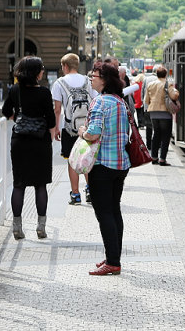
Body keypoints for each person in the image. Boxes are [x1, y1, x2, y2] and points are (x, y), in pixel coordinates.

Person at [77, 62, 130, 276]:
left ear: (104, 79)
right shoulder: (120, 101)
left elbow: (94, 133)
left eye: (94, 75)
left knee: (103, 212)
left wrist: (82, 131)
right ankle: (113, 256)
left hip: (102, 165)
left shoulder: (99, 102)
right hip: (121, 164)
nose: (91, 78)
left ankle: (113, 262)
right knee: (114, 209)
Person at [2, 57, 55, 240]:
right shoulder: (44, 93)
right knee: (40, 185)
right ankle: (41, 227)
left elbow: (6, 111)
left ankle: (17, 227)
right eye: (41, 69)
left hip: (19, 142)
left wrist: (19, 120)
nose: (43, 71)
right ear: (35, 72)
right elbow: (51, 121)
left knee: (19, 184)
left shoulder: (15, 90)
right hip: (40, 142)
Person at [51, 53, 96, 205]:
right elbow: (94, 101)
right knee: (88, 158)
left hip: (69, 128)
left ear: (65, 66)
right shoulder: (87, 81)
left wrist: (57, 128)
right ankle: (90, 190)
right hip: (87, 127)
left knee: (72, 161)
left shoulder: (59, 83)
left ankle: (75, 194)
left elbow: (57, 109)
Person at [143, 65, 179, 166]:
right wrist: (176, 91)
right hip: (165, 113)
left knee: (156, 135)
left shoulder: (150, 84)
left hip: (153, 112)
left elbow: (146, 100)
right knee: (165, 136)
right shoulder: (168, 84)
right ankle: (162, 159)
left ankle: (154, 157)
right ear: (165, 74)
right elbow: (174, 96)